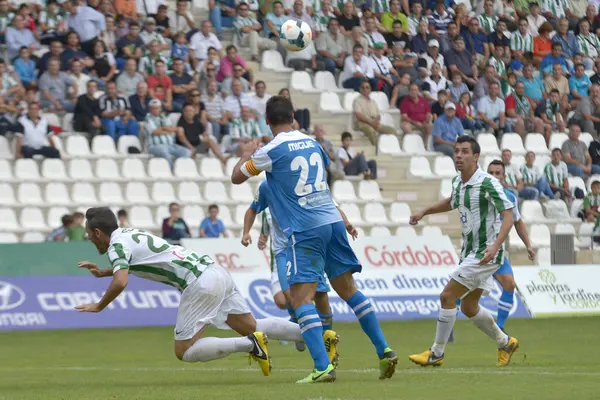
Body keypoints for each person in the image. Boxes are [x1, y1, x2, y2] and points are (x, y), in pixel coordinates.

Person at [231, 95, 398, 383]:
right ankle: (384, 349)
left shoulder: (271, 149)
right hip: (331, 219)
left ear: (267, 121)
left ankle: (322, 366)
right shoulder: (313, 143)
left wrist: (247, 153)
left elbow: (237, 177)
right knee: (349, 291)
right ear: (294, 116)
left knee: (299, 298)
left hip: (305, 227)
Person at [75, 207, 316, 375]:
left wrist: (99, 306)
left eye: (89, 234)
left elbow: (121, 282)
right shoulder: (128, 233)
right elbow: (137, 263)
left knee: (184, 351)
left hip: (199, 283)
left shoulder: (115, 246)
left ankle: (251, 345)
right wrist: (103, 272)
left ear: (98, 232)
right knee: (252, 325)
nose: (89, 239)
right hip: (214, 271)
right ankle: (317, 336)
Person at [407, 135, 518, 368]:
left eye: (465, 151)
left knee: (447, 297)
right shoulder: (458, 182)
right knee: (468, 307)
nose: (459, 155)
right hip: (469, 252)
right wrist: (424, 212)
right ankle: (504, 342)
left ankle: (436, 353)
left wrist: (496, 245)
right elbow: (451, 202)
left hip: (484, 254)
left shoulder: (488, 182)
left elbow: (508, 214)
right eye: (456, 151)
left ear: (475, 156)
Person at [242, 180, 334, 355]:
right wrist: (257, 236)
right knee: (285, 299)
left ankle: (319, 333)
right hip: (282, 254)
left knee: (316, 296)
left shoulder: (300, 191)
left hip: (303, 251)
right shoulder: (266, 199)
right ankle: (303, 329)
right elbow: (263, 223)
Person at [485, 160, 536, 331]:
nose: (493, 176)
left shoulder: (509, 197)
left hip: (497, 253)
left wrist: (528, 245)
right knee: (462, 291)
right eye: (490, 173)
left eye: (497, 173)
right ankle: (448, 327)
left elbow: (518, 222)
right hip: (478, 252)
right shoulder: (479, 195)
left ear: (503, 176)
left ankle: (499, 327)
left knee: (509, 284)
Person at [145, 99, 191, 168]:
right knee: (165, 152)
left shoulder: (164, 117)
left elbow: (171, 129)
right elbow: (154, 132)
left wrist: (162, 128)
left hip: (170, 145)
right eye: (153, 108)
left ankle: (179, 169)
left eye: (157, 108)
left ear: (160, 108)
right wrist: (165, 128)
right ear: (150, 109)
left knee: (187, 152)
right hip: (155, 146)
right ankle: (172, 171)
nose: (155, 110)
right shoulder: (148, 117)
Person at [352, 81, 396, 146]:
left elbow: (378, 115)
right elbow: (358, 115)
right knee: (371, 130)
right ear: (360, 89)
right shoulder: (357, 100)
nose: (365, 89)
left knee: (391, 130)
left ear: (370, 90)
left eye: (367, 88)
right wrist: (371, 122)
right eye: (363, 88)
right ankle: (376, 148)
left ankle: (388, 147)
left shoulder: (373, 101)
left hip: (374, 122)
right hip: (361, 123)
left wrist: (377, 121)